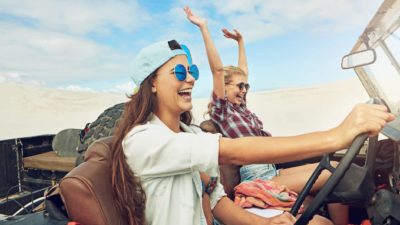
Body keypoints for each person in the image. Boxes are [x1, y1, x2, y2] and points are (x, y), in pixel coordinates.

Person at [109, 33, 394, 225]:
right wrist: (336, 135)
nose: (191, 80)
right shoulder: (143, 140)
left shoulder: (190, 134)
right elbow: (233, 152)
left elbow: (218, 200)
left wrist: (266, 223)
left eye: (192, 72)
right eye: (180, 73)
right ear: (153, 82)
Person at [183, 6, 382, 225]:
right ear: (225, 87)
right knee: (335, 174)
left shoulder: (241, 107)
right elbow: (218, 71)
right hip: (257, 175)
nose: (244, 90)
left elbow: (244, 71)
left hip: (271, 168)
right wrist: (203, 28)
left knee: (335, 169)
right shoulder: (223, 111)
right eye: (239, 86)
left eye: (246, 86)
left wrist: (240, 42)